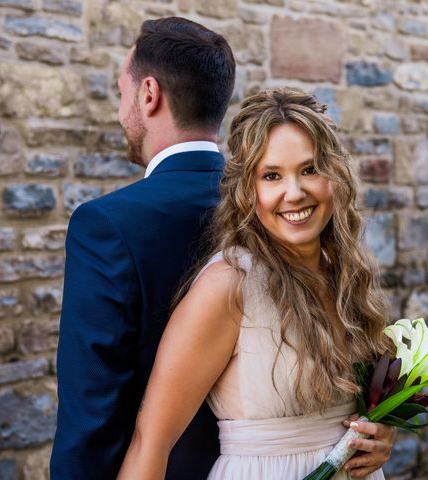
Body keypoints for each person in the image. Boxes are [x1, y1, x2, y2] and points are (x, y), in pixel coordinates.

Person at [117, 87, 395, 479]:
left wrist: (379, 434)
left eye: (310, 169)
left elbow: (353, 411)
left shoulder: (346, 276)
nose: (294, 193)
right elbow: (151, 441)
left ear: (335, 175)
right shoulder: (230, 285)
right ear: (249, 191)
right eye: (271, 176)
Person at [50, 17, 236, 480]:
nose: (120, 111)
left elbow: (91, 410)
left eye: (121, 93)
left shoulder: (106, 225)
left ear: (149, 94)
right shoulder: (278, 211)